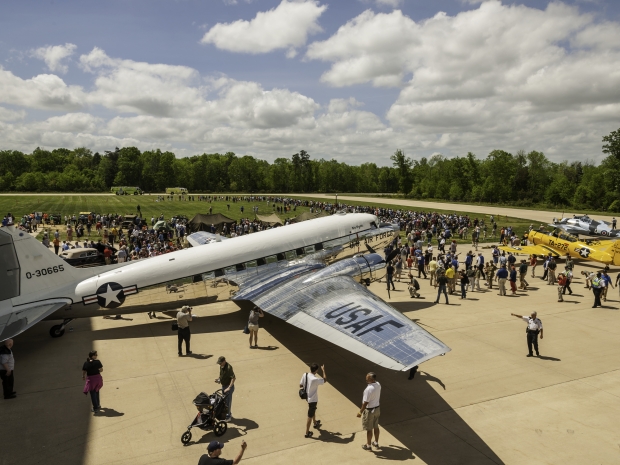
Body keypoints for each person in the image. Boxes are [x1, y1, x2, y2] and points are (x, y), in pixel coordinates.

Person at [299, 363, 327, 438]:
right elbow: (325, 380)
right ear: (316, 371)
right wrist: (323, 370)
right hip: (313, 399)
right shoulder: (315, 379)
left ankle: (315, 423)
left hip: (307, 397)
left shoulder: (305, 374)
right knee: (310, 416)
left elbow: (300, 385)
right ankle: (307, 433)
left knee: (313, 409)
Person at [357, 372, 381, 451]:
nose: (366, 378)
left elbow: (365, 403)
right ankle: (376, 442)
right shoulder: (378, 384)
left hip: (370, 411)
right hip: (377, 409)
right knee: (376, 426)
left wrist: (360, 412)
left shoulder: (368, 389)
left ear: (372, 379)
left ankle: (368, 445)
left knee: (369, 429)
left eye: (367, 377)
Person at [215, 356, 235, 421]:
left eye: (220, 363)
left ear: (224, 361)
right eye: (219, 363)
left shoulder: (229, 368)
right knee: (224, 402)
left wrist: (229, 387)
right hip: (224, 386)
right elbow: (221, 374)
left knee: (227, 402)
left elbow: (233, 378)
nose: (220, 364)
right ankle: (228, 413)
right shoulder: (221, 366)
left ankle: (228, 417)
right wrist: (219, 380)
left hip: (228, 387)